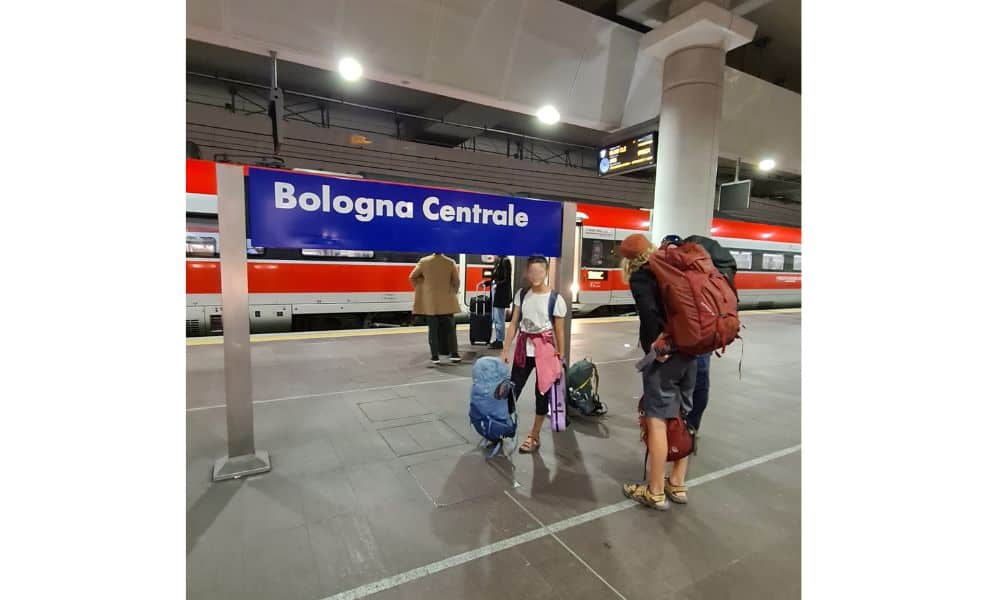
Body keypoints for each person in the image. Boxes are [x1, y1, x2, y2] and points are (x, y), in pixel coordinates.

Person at [619, 234, 696, 510]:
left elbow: (649, 314)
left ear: (628, 260)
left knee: (657, 420)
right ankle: (677, 482)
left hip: (666, 355)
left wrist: (657, 349)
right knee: (683, 415)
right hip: (691, 350)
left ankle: (654, 491)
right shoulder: (673, 267)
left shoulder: (642, 275)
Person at [501, 255, 567, 453]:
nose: (535, 275)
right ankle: (502, 428)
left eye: (540, 271)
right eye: (532, 271)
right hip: (523, 347)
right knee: (513, 390)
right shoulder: (522, 294)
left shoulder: (556, 299)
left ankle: (534, 436)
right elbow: (513, 323)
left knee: (542, 395)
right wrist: (505, 349)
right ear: (526, 273)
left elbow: (559, 330)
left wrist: (560, 355)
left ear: (546, 272)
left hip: (546, 351)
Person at [661, 234, 710, 435]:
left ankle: (672, 427)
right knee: (699, 381)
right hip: (702, 336)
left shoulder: (665, 273)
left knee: (669, 383)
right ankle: (691, 425)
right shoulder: (700, 272)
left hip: (679, 338)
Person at [409, 252, 462, 365]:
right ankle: (454, 354)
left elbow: (412, 277)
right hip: (447, 302)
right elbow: (456, 281)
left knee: (432, 331)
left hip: (431, 303)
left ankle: (435, 356)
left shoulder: (424, 261)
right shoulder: (450, 262)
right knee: (451, 330)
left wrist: (422, 288)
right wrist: (452, 292)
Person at [488, 255, 512, 350]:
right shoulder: (498, 262)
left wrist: (496, 284)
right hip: (497, 292)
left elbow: (507, 280)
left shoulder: (505, 261)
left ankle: (500, 341)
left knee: (499, 318)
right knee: (496, 317)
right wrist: (487, 283)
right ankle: (498, 339)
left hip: (501, 294)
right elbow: (495, 278)